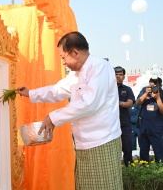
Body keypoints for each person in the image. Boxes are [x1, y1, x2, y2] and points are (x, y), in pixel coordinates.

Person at [16, 31, 123, 190]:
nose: (63, 63)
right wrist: (30, 93)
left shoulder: (100, 67)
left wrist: (53, 117)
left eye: (63, 57)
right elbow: (56, 90)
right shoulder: (76, 74)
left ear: (75, 52)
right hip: (84, 143)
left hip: (102, 141)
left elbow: (89, 104)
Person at [136, 76, 163, 163]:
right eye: (151, 84)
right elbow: (138, 103)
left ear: (160, 85)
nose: (153, 87)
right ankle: (144, 170)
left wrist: (158, 98)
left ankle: (159, 170)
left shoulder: (161, 93)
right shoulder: (145, 90)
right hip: (143, 126)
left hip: (156, 128)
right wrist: (146, 94)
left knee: (159, 151)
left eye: (156, 85)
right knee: (143, 151)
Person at [114, 66, 135, 166]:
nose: (118, 76)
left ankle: (129, 170)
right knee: (113, 152)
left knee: (127, 149)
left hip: (124, 124)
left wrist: (119, 103)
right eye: (116, 74)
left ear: (124, 77)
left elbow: (130, 103)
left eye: (120, 75)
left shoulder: (127, 89)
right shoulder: (107, 89)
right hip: (111, 125)